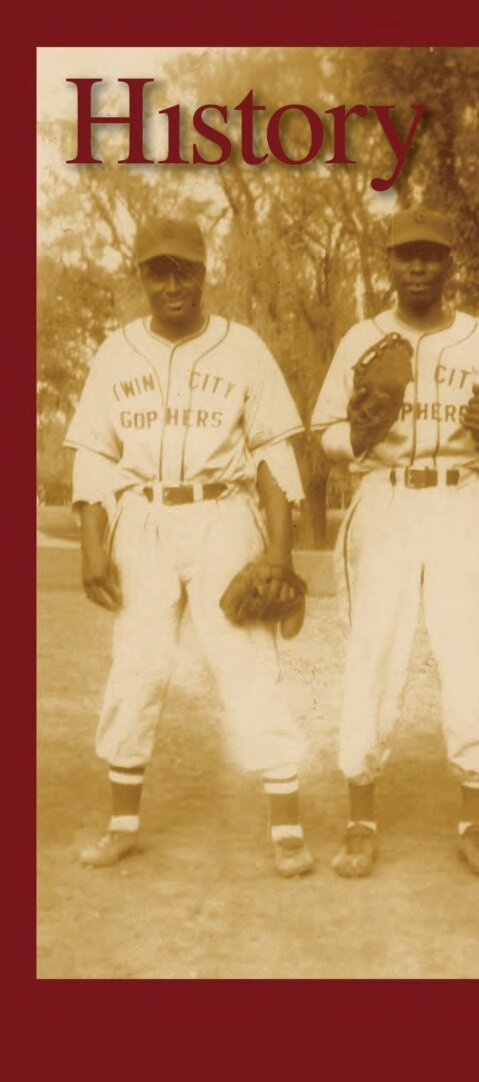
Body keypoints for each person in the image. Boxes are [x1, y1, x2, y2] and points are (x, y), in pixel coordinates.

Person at [64, 216, 314, 877]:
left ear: (205, 272)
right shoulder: (116, 351)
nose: (171, 283)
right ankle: (122, 825)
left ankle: (287, 829)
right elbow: (93, 455)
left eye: (184, 269)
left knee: (249, 664)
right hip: (142, 516)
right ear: (141, 276)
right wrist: (93, 548)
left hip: (222, 515)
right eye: (157, 270)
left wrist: (279, 555)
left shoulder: (244, 349)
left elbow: (274, 456)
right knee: (137, 667)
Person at [311, 209, 479, 878]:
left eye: (432, 255)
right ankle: (360, 819)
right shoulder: (362, 339)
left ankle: (476, 820)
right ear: (390, 264)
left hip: (462, 498)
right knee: (373, 654)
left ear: (449, 263)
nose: (419, 267)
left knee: (470, 659)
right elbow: (324, 433)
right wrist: (361, 436)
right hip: (388, 499)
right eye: (407, 256)